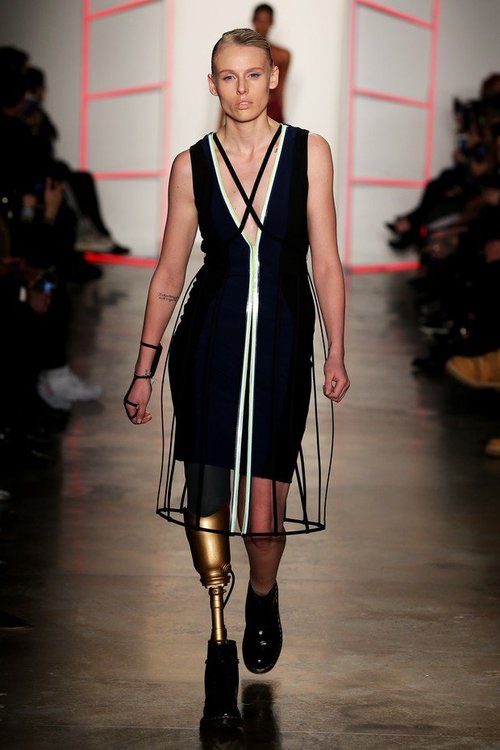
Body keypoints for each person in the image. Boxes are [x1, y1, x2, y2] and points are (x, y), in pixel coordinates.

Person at [124, 28, 349, 731]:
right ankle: (218, 651)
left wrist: (337, 349)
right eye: (228, 76)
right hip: (208, 346)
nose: (242, 88)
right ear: (212, 83)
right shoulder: (190, 165)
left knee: (264, 513)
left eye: (254, 74)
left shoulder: (310, 153)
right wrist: (143, 368)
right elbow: (169, 273)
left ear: (273, 77)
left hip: (282, 345)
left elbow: (327, 261)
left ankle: (262, 594)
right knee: (209, 498)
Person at [252, 4, 290, 122]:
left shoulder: (282, 55)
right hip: (247, 108)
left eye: (266, 21)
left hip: (271, 110)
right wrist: (221, 124)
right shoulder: (241, 54)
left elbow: (280, 90)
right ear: (253, 21)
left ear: (271, 23)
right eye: (260, 20)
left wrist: (282, 122)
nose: (262, 25)